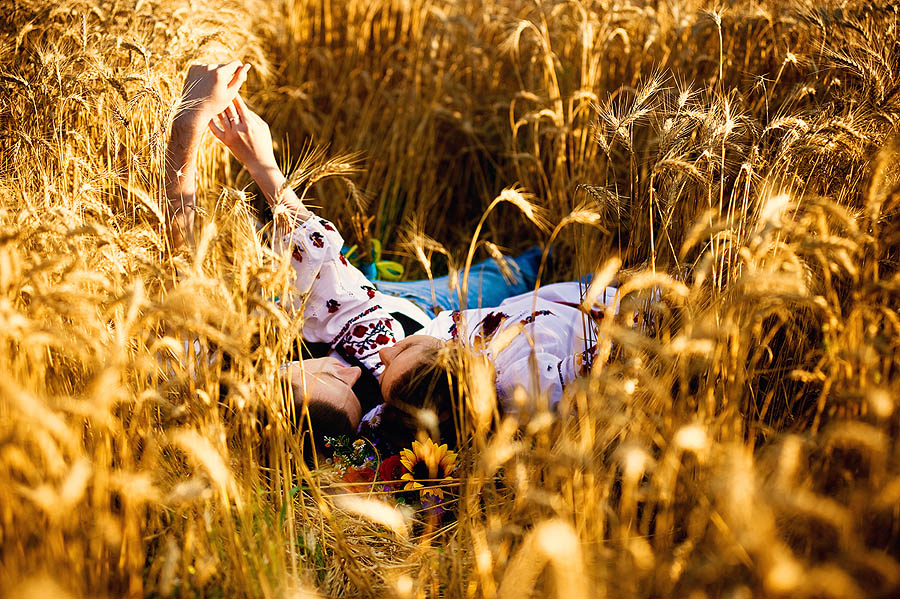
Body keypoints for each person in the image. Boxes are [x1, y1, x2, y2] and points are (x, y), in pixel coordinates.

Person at [163, 63, 552, 444]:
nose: (353, 373)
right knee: (515, 280)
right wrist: (261, 166)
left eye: (332, 377)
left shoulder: (200, 379)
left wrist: (190, 122)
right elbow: (330, 272)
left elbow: (182, 258)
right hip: (409, 328)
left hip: (354, 302)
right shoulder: (376, 410)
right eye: (351, 388)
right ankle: (546, 257)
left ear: (267, 389)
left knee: (509, 275)